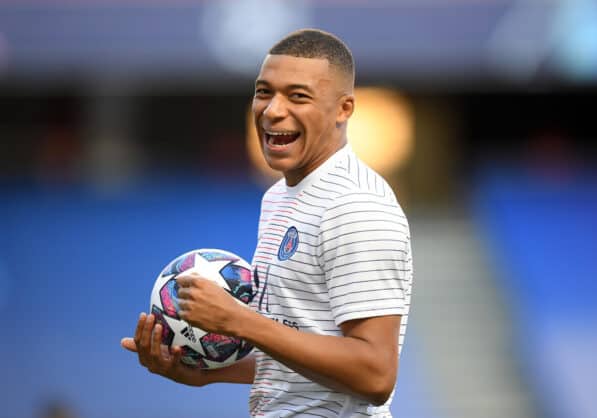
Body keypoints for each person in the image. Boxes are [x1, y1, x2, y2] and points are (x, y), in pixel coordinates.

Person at [121, 28, 413, 417]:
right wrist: (208, 371)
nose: (273, 110)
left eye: (298, 96)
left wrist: (240, 321)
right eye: (264, 92)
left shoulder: (356, 206)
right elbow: (299, 355)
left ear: (344, 109)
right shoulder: (278, 197)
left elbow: (375, 375)